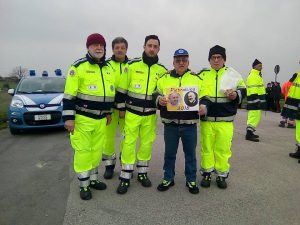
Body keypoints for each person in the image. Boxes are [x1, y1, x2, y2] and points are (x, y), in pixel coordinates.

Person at [63, 33, 115, 200]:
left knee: (95, 151)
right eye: (95, 45)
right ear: (88, 47)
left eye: (101, 45)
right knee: (83, 152)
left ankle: (93, 179)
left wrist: (108, 112)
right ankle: (83, 185)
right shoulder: (78, 67)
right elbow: (69, 95)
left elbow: (108, 94)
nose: (99, 48)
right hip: (83, 119)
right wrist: (69, 118)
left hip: (101, 120)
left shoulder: (108, 68)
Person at [115, 35, 167, 194]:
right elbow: (121, 90)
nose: (152, 49)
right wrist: (121, 109)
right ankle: (125, 176)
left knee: (146, 144)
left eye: (155, 46)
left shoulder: (162, 71)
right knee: (129, 143)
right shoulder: (131, 65)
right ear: (144, 46)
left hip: (150, 115)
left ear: (158, 49)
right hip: (132, 113)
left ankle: (142, 173)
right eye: (149, 45)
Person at [153, 48, 201, 194]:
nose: (181, 63)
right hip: (170, 125)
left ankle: (191, 179)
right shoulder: (164, 78)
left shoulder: (196, 79)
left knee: (190, 154)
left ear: (188, 62)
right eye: (178, 60)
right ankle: (168, 178)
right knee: (169, 154)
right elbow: (155, 94)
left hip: (190, 125)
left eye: (184, 60)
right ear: (173, 62)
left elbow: (204, 97)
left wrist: (204, 106)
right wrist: (159, 100)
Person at [198, 45, 246, 189]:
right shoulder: (202, 74)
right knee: (206, 148)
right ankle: (206, 173)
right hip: (207, 120)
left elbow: (243, 89)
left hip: (225, 121)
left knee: (223, 149)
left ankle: (221, 175)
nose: (216, 60)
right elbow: (195, 90)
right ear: (209, 59)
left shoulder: (232, 74)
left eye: (219, 57)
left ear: (224, 59)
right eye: (213, 57)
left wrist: (236, 94)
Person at [102, 37, 129, 179]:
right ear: (112, 49)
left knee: (127, 138)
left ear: (126, 49)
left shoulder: (131, 66)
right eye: (117, 47)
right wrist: (106, 110)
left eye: (122, 47)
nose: (119, 50)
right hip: (110, 110)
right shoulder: (105, 65)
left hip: (126, 110)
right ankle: (109, 166)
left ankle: (126, 165)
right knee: (108, 139)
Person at [245, 59, 266, 142]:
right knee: (253, 116)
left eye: (261, 65)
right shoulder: (253, 76)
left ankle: (251, 132)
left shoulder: (257, 75)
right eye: (260, 65)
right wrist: (256, 100)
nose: (261, 67)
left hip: (256, 100)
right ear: (254, 66)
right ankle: (249, 134)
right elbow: (253, 89)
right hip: (254, 100)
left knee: (255, 116)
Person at [281, 71, 300, 162]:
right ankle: (299, 150)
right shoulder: (298, 75)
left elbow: (283, 91)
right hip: (295, 103)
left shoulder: (287, 82)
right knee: (298, 129)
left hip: (293, 102)